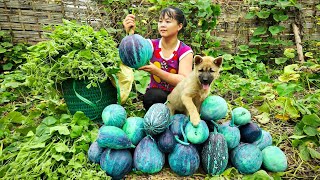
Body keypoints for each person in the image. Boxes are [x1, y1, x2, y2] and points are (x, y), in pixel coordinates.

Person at [123, 7, 194, 111]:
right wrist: (130, 34)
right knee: (152, 96)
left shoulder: (185, 51)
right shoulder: (151, 45)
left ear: (179, 26)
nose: (162, 25)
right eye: (160, 21)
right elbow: (134, 51)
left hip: (179, 98)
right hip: (157, 96)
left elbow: (184, 81)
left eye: (168, 21)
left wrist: (156, 71)